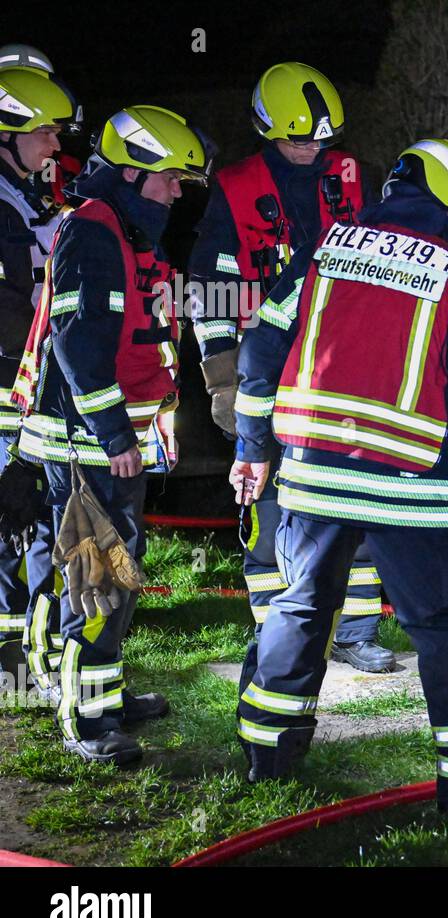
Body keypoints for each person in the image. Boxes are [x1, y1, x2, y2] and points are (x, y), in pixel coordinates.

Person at [230, 139, 448, 814]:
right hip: (410, 487)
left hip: (310, 477)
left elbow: (261, 345)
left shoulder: (326, 249)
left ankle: (264, 758)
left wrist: (252, 446)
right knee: (446, 631)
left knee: (300, 605)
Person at [12, 105, 211, 764]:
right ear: (133, 172)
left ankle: (104, 693)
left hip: (113, 441)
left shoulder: (125, 230)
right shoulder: (95, 233)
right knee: (97, 576)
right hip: (90, 441)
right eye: (171, 179)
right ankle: (87, 722)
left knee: (112, 575)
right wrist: (115, 434)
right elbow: (77, 346)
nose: (178, 192)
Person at [189, 62, 391, 673]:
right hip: (265, 366)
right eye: (299, 137)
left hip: (341, 366)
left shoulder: (352, 177)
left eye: (321, 139)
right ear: (267, 128)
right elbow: (208, 288)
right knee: (269, 499)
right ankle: (279, 636)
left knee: (351, 494)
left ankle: (355, 630)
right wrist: (222, 378)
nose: (311, 149)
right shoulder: (235, 187)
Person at [0, 60, 81, 698]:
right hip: (6, 382)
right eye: (46, 132)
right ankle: (13, 666)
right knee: (11, 518)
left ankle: (29, 653)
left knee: (27, 521)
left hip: (21, 382)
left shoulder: (24, 195)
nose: (57, 144)